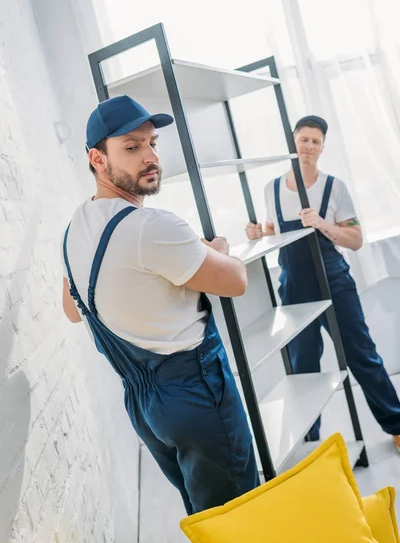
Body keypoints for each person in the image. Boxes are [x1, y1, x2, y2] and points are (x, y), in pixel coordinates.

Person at [62, 95, 259, 515]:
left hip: (145, 406)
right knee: (240, 514)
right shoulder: (153, 227)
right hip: (196, 391)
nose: (150, 157)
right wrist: (220, 250)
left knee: (205, 514)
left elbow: (72, 306)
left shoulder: (76, 227)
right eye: (131, 147)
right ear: (97, 158)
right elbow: (236, 282)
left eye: (152, 143)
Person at [246, 115, 400, 450]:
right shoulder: (270, 189)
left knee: (362, 355)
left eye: (316, 141)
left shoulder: (334, 187)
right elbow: (275, 233)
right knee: (303, 368)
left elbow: (356, 239)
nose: (309, 147)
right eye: (304, 139)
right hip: (294, 288)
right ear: (293, 141)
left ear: (323, 147)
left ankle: (397, 424)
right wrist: (260, 234)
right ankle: (309, 442)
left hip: (334, 283)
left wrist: (321, 224)